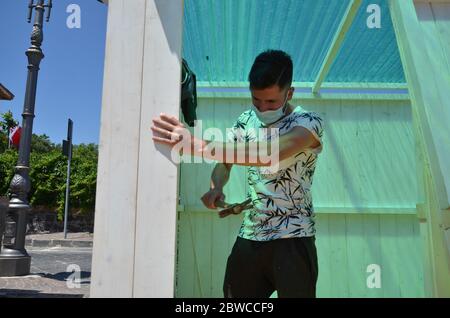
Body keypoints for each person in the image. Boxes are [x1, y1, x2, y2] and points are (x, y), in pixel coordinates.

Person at [151, 50, 324, 298]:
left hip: (294, 238)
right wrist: (216, 186)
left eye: (271, 102)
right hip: (251, 235)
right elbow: (226, 162)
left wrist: (198, 145)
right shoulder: (245, 120)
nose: (262, 108)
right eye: (256, 100)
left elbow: (270, 152)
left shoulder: (308, 122)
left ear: (290, 93)